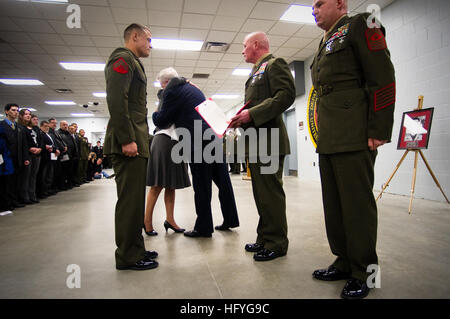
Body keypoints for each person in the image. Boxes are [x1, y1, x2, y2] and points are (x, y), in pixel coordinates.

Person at [309, 0, 396, 299]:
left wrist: (379, 129)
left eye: (320, 3)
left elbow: (382, 76)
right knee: (334, 205)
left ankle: (365, 271)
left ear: (341, 3)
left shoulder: (362, 23)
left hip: (355, 132)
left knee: (357, 206)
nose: (314, 9)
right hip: (330, 135)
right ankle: (344, 261)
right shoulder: (324, 42)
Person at [229, 31, 295, 262]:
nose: (242, 50)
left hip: (269, 141)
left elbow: (286, 95)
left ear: (256, 45)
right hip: (257, 143)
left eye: (245, 45)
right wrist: (242, 117)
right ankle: (265, 238)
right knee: (261, 195)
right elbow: (256, 104)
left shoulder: (274, 64)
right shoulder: (257, 70)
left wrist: (251, 114)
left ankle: (277, 243)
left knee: (270, 195)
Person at [152, 68, 239, 238]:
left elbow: (162, 120)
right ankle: (230, 219)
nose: (162, 90)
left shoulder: (172, 92)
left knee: (202, 185)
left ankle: (204, 228)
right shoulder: (193, 88)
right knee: (223, 181)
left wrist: (155, 113)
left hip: (198, 142)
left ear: (167, 82)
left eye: (162, 86)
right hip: (213, 137)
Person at [104, 23, 158, 271]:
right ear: (134, 36)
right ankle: (127, 255)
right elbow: (117, 100)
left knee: (135, 202)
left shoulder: (133, 61)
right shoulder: (122, 58)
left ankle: (136, 249)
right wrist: (126, 138)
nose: (150, 44)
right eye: (147, 39)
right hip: (128, 142)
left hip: (136, 141)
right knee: (129, 202)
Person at [143, 68, 191, 236]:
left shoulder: (171, 94)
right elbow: (162, 120)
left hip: (173, 141)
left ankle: (170, 220)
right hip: (165, 139)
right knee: (158, 185)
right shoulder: (167, 95)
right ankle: (146, 222)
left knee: (171, 185)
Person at [0, 104, 29, 209]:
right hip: (5, 159)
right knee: (6, 182)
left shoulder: (19, 127)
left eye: (17, 110)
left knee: (16, 181)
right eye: (13, 110)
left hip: (18, 159)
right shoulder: (1, 125)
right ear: (6, 111)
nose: (16, 112)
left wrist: (25, 158)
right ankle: (5, 203)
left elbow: (24, 144)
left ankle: (14, 200)